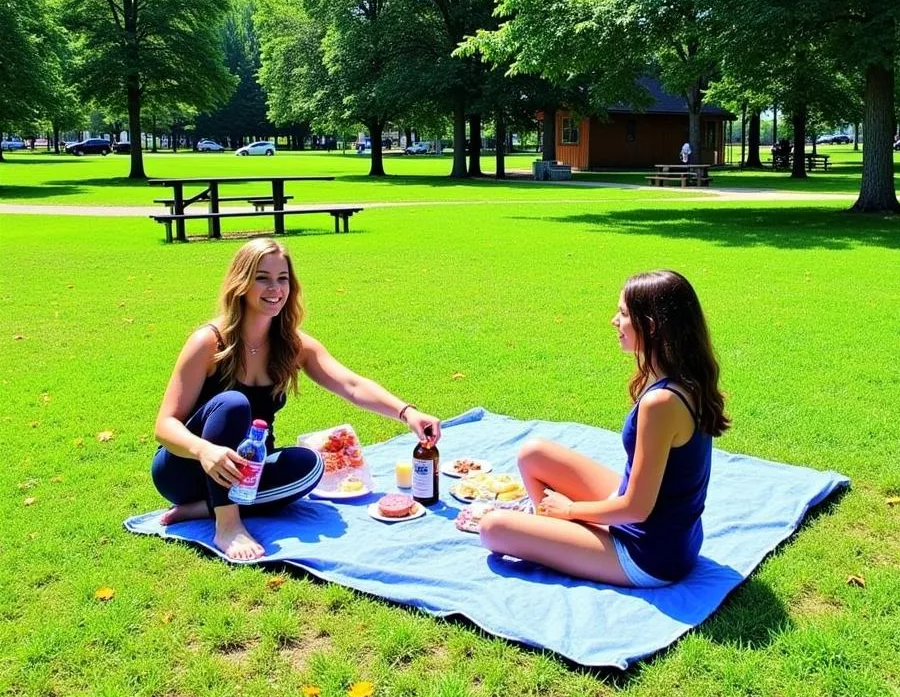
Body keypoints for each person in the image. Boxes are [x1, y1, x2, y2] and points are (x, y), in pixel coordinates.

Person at [152, 238, 441, 561]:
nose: (274, 288)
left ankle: (202, 508)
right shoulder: (209, 342)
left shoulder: (292, 345)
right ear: (241, 283)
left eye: (282, 279)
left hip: (247, 474)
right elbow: (165, 426)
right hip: (185, 469)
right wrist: (204, 450)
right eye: (262, 277)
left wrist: (408, 413)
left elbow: (351, 384)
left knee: (310, 466)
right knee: (233, 404)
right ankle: (227, 524)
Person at [479, 270, 729, 587]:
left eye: (623, 314)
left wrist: (570, 510)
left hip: (650, 555)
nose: (614, 321)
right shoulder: (681, 377)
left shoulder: (662, 403)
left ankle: (556, 531)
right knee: (533, 453)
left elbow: (637, 508)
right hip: (668, 531)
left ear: (650, 327)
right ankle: (554, 532)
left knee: (492, 527)